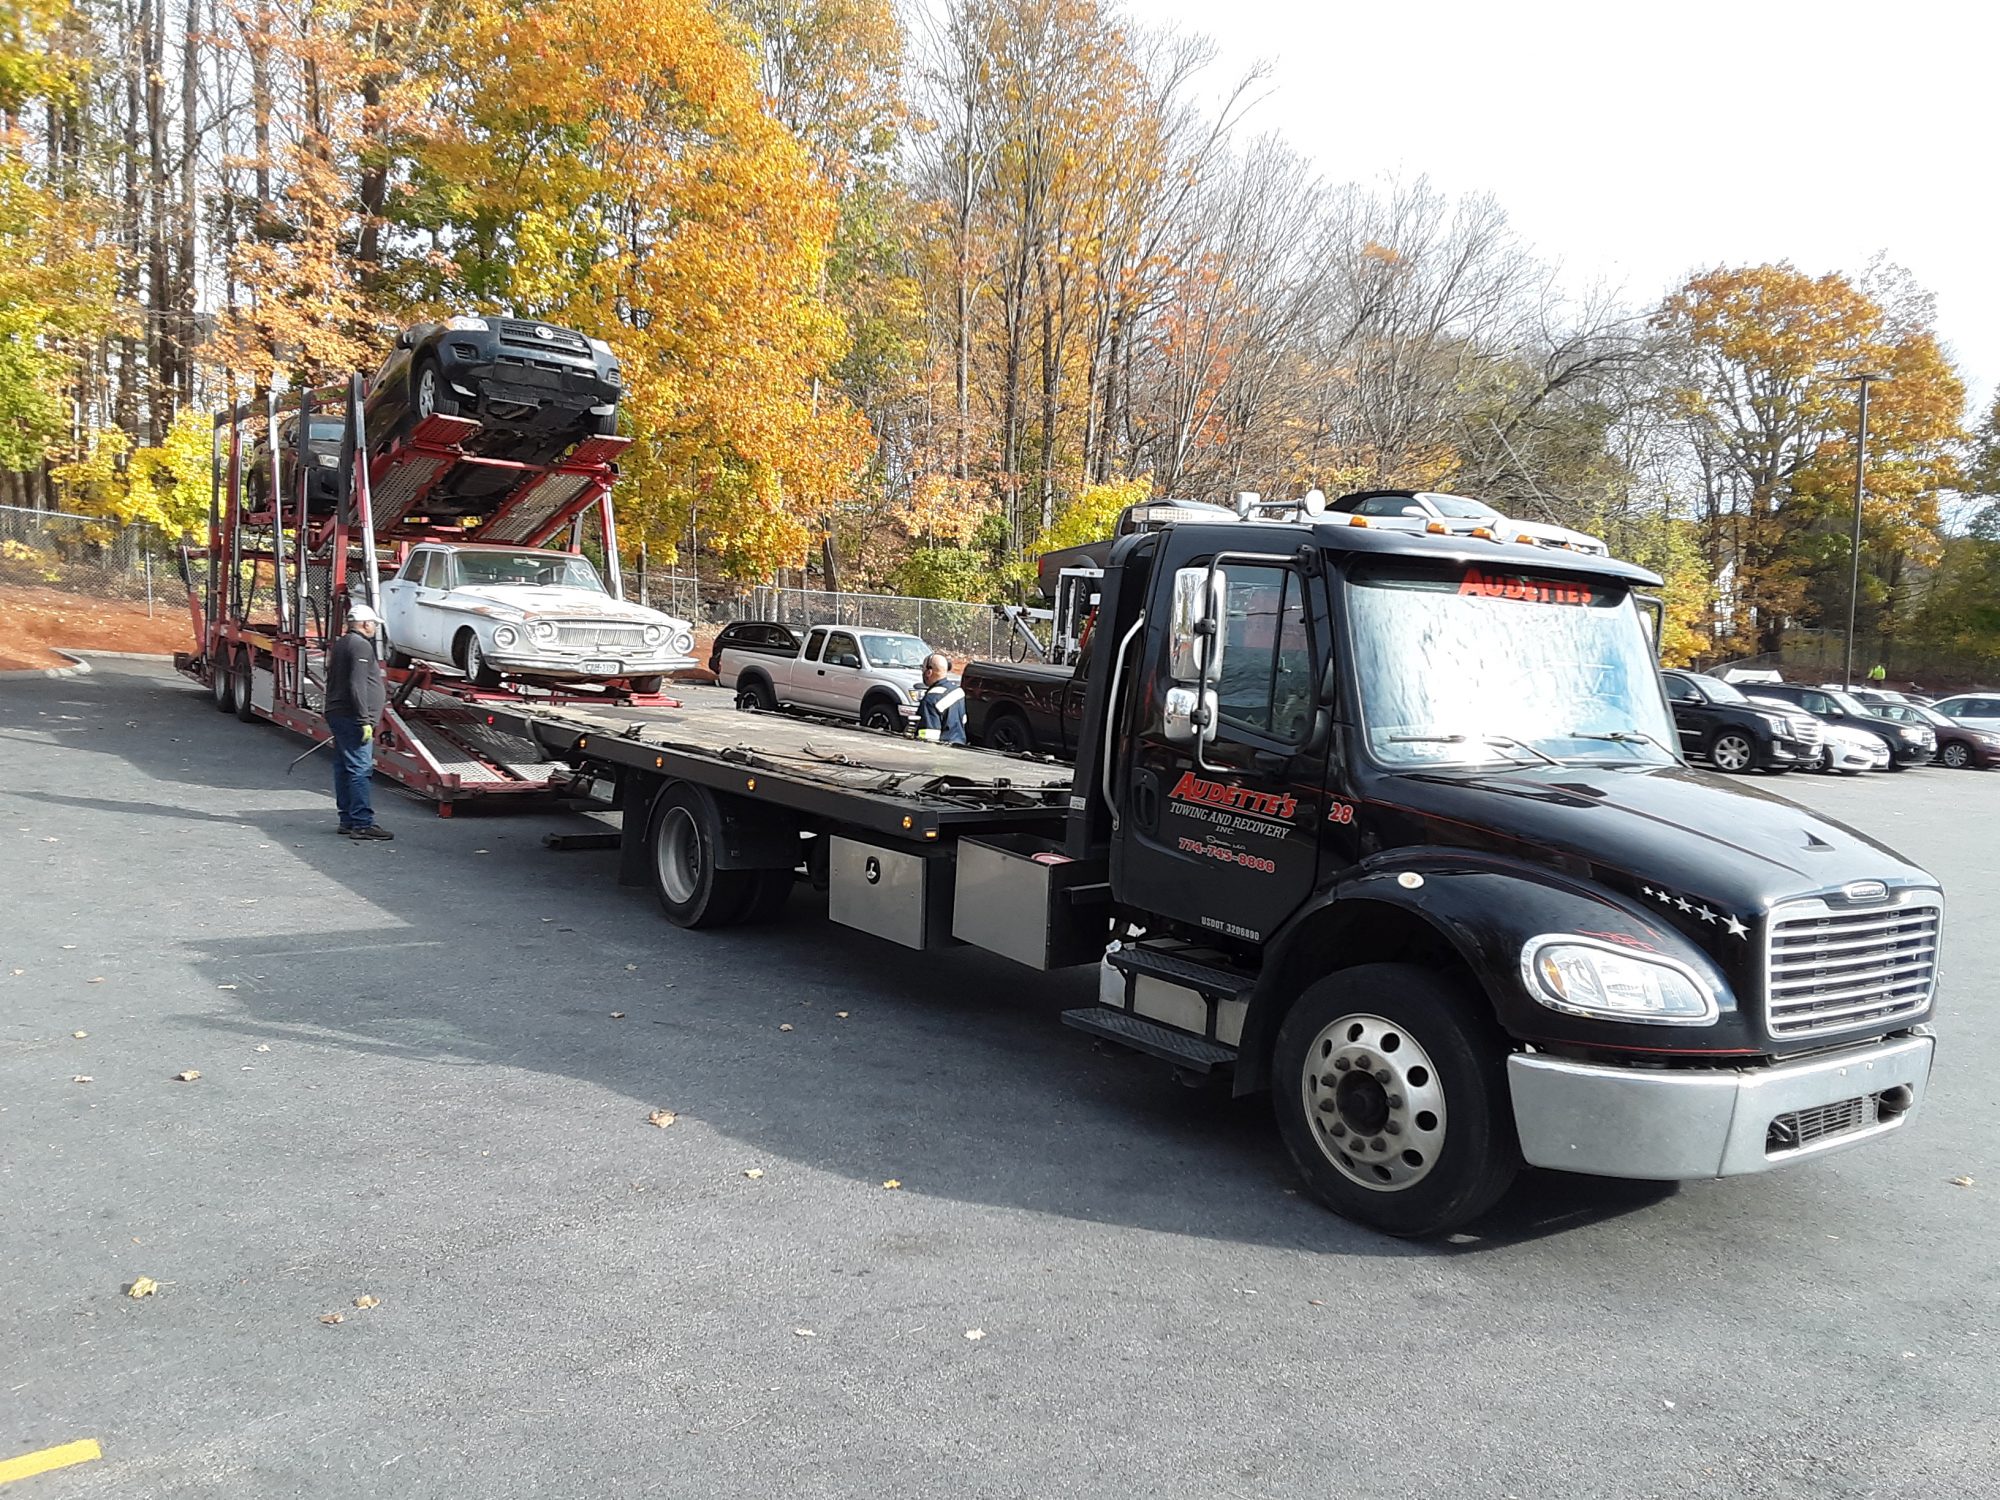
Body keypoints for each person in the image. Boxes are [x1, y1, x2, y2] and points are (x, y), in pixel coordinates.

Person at [325, 602, 392, 840]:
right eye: (373, 623)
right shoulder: (361, 646)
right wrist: (365, 719)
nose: (374, 627)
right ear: (365, 624)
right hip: (352, 717)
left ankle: (347, 819)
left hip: (338, 712)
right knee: (360, 769)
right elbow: (357, 684)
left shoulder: (342, 644)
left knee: (344, 767)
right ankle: (362, 823)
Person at [917, 652, 967, 745]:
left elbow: (928, 737)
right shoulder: (958, 691)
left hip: (941, 752)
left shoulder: (931, 699)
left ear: (929, 672)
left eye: (923, 669)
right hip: (960, 748)